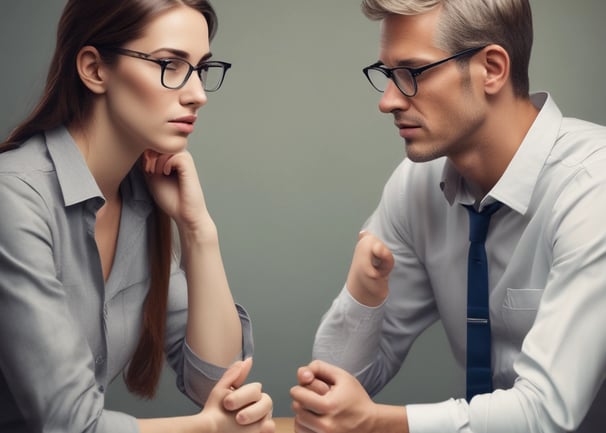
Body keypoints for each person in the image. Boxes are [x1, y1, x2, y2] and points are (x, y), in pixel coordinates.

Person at [290, 1, 605, 432]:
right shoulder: (417, 184)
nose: (387, 101)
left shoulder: (592, 187)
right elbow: (331, 389)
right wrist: (364, 295)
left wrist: (376, 423)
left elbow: (546, 413)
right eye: (387, 75)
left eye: (412, 74)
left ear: (491, 69)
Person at [0, 1, 274, 432]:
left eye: (202, 68)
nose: (197, 93)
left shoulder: (139, 201)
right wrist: (210, 427)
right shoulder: (14, 199)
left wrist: (197, 230)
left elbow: (219, 386)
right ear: (94, 69)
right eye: (169, 64)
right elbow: (69, 425)